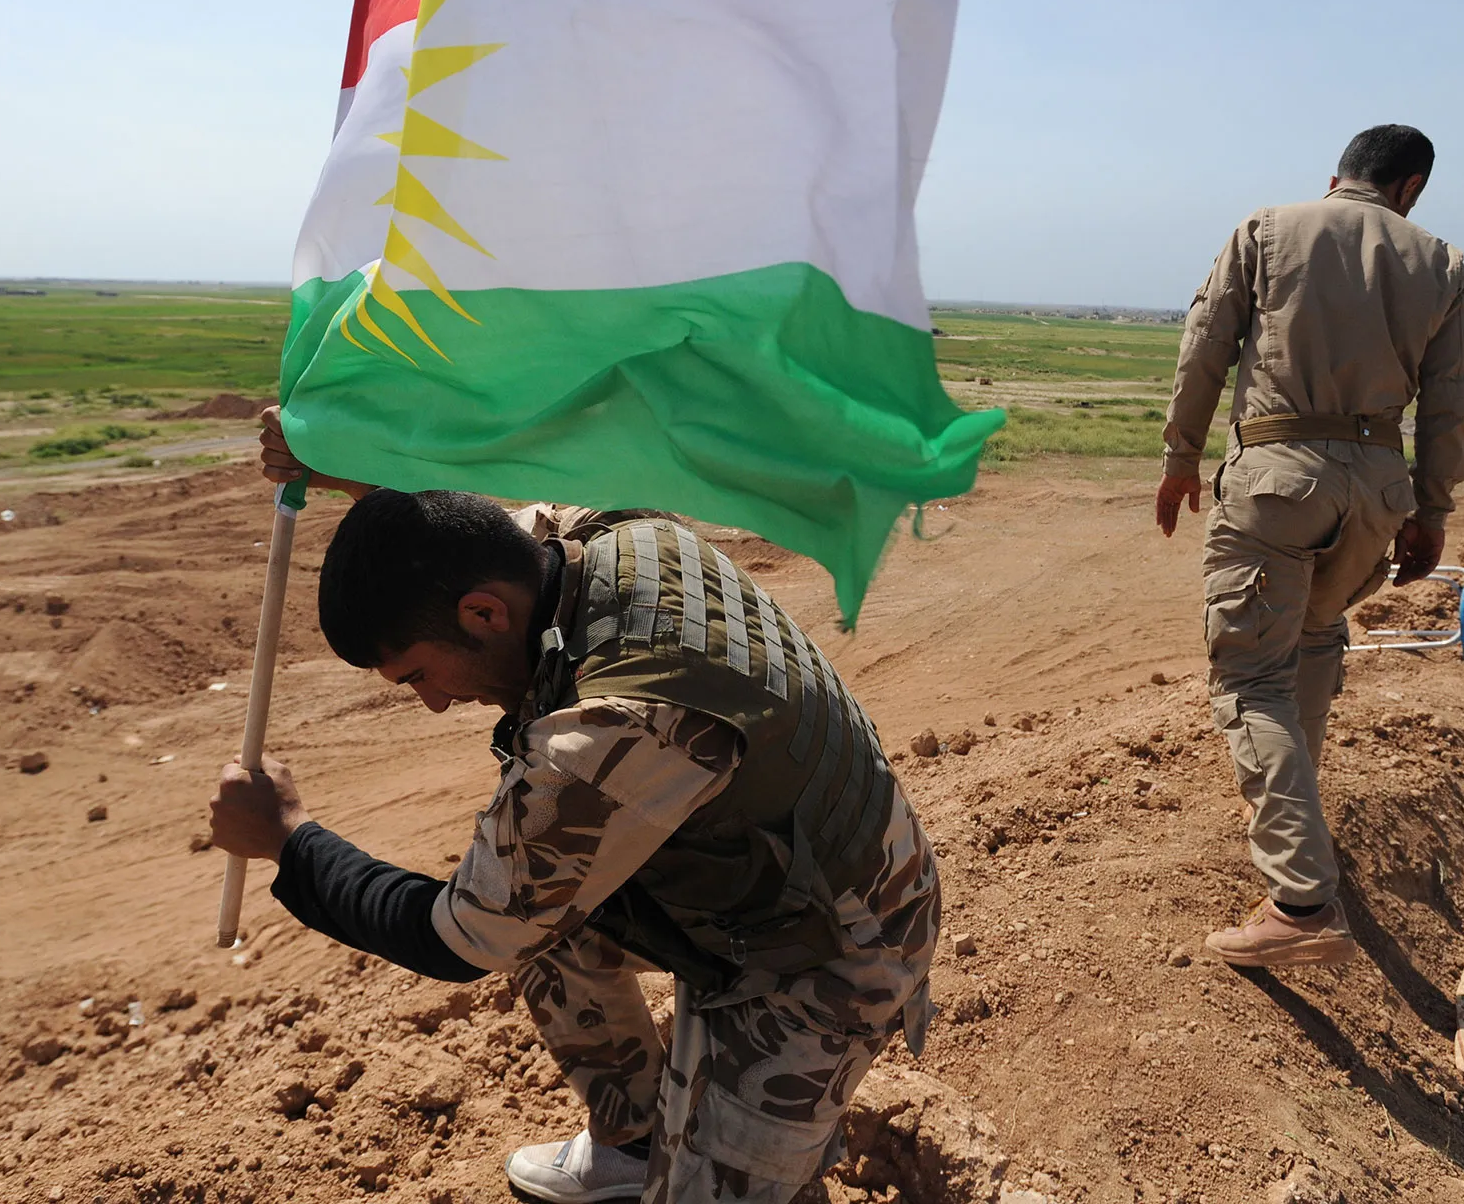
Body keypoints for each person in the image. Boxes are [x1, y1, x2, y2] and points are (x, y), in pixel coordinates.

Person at [206, 415, 939, 1204]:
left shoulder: (613, 731)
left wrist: (290, 838)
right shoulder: (612, 527)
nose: (436, 705)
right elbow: (474, 539)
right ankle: (635, 1143)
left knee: (515, 901)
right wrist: (353, 473)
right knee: (535, 899)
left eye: (420, 674)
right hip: (756, 868)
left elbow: (459, 937)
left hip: (827, 948)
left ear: (483, 615)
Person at [1154, 124, 1464, 968]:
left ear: (1337, 176)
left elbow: (1205, 347)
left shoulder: (1267, 228)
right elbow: (1450, 404)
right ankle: (1294, 839)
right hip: (1377, 490)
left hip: (1276, 476)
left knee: (1251, 676)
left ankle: (1301, 900)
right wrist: (1432, 511)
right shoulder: (1441, 262)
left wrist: (1180, 457)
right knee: (1312, 640)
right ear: (1409, 187)